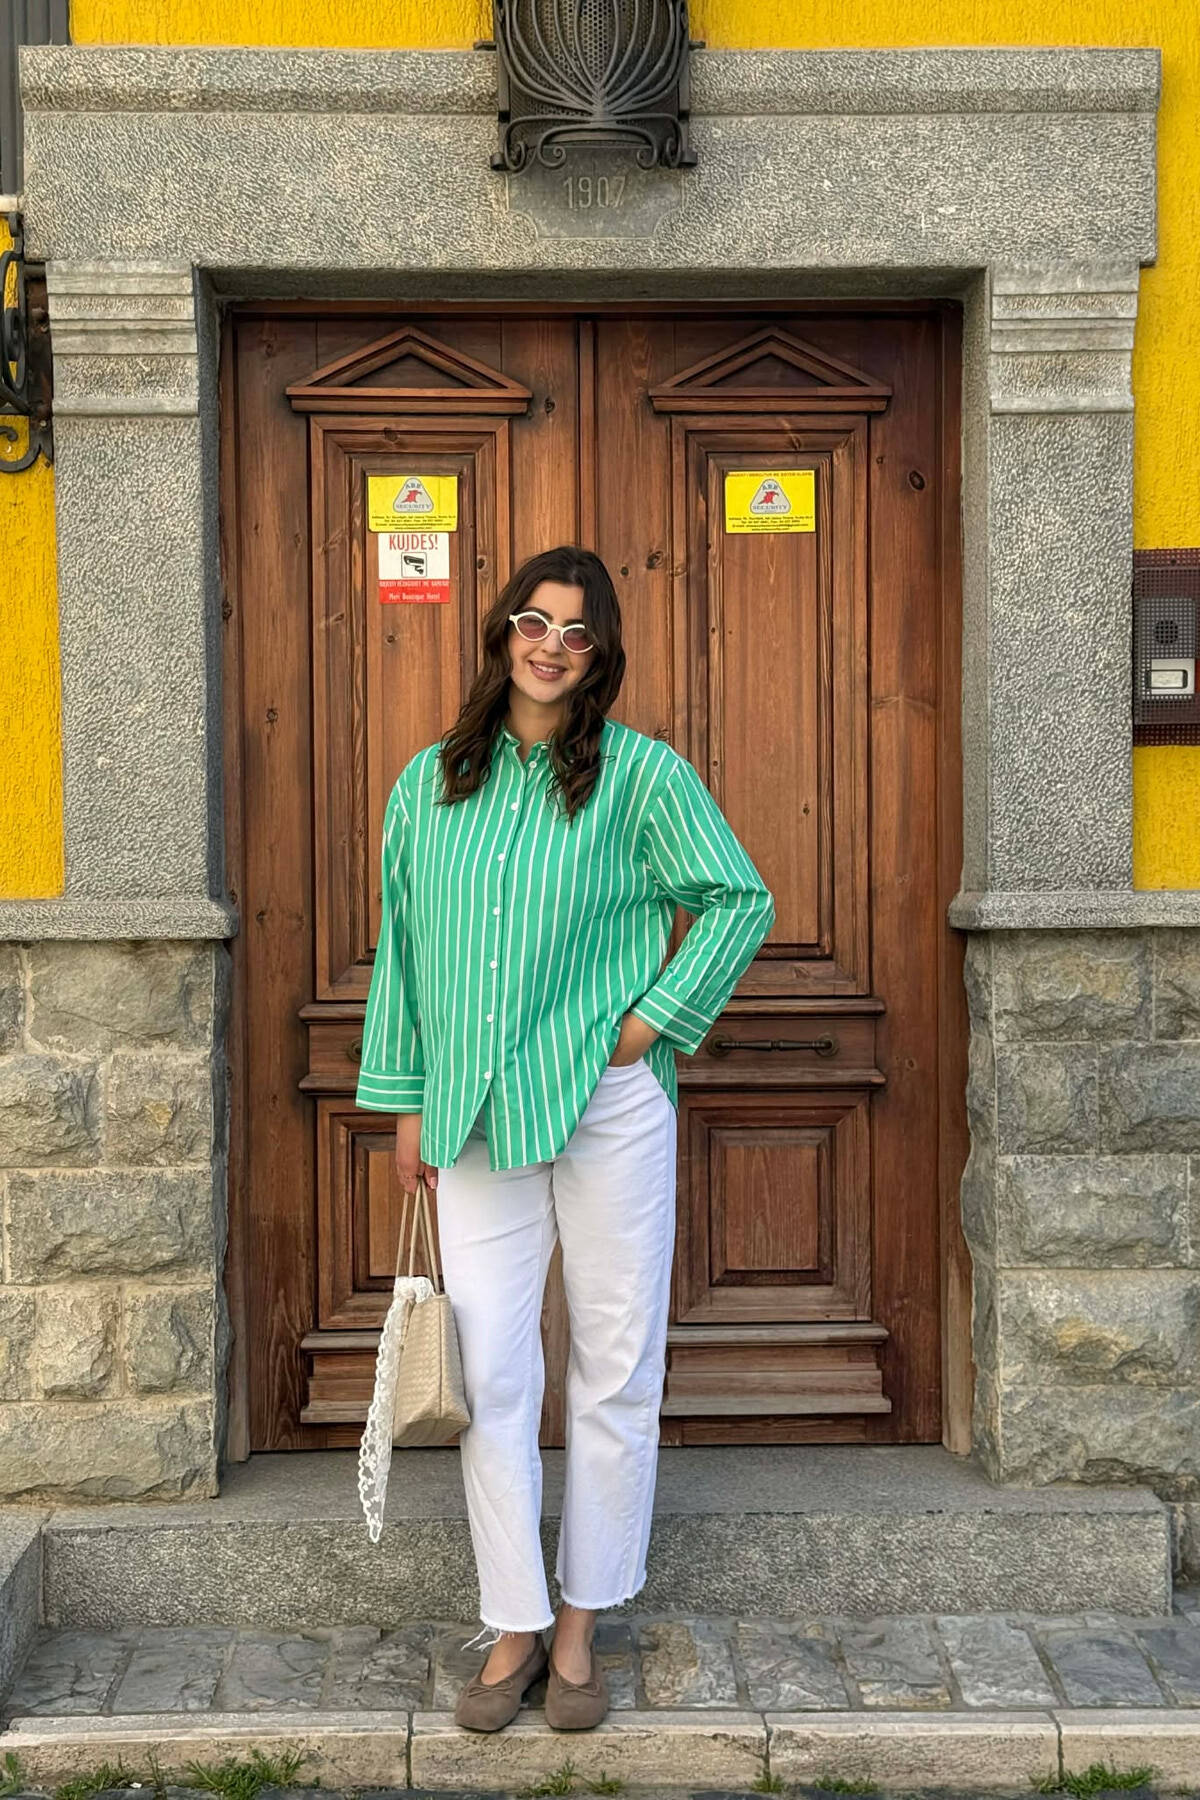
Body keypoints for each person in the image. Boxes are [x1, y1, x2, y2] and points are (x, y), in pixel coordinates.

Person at [355, 544, 774, 1732]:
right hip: (475, 1118)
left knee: (614, 1366)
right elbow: (405, 951)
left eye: (577, 632)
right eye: (535, 622)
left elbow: (738, 899)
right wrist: (407, 1102)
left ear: (600, 657)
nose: (551, 646)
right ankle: (515, 1624)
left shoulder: (641, 778)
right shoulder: (428, 784)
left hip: (605, 1107)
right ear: (502, 632)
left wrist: (651, 1024)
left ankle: (582, 1628)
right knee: (491, 1376)